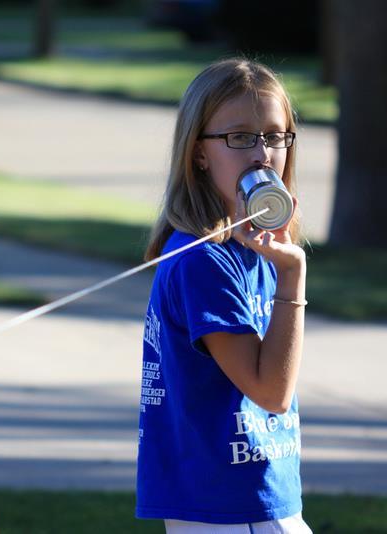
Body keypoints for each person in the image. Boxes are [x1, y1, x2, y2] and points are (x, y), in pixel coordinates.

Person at [135, 58, 311, 533]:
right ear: (199, 153)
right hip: (232, 508)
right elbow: (271, 392)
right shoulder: (204, 261)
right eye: (239, 137)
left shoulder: (255, 250)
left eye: (275, 136)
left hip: (249, 501)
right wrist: (293, 279)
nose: (261, 154)